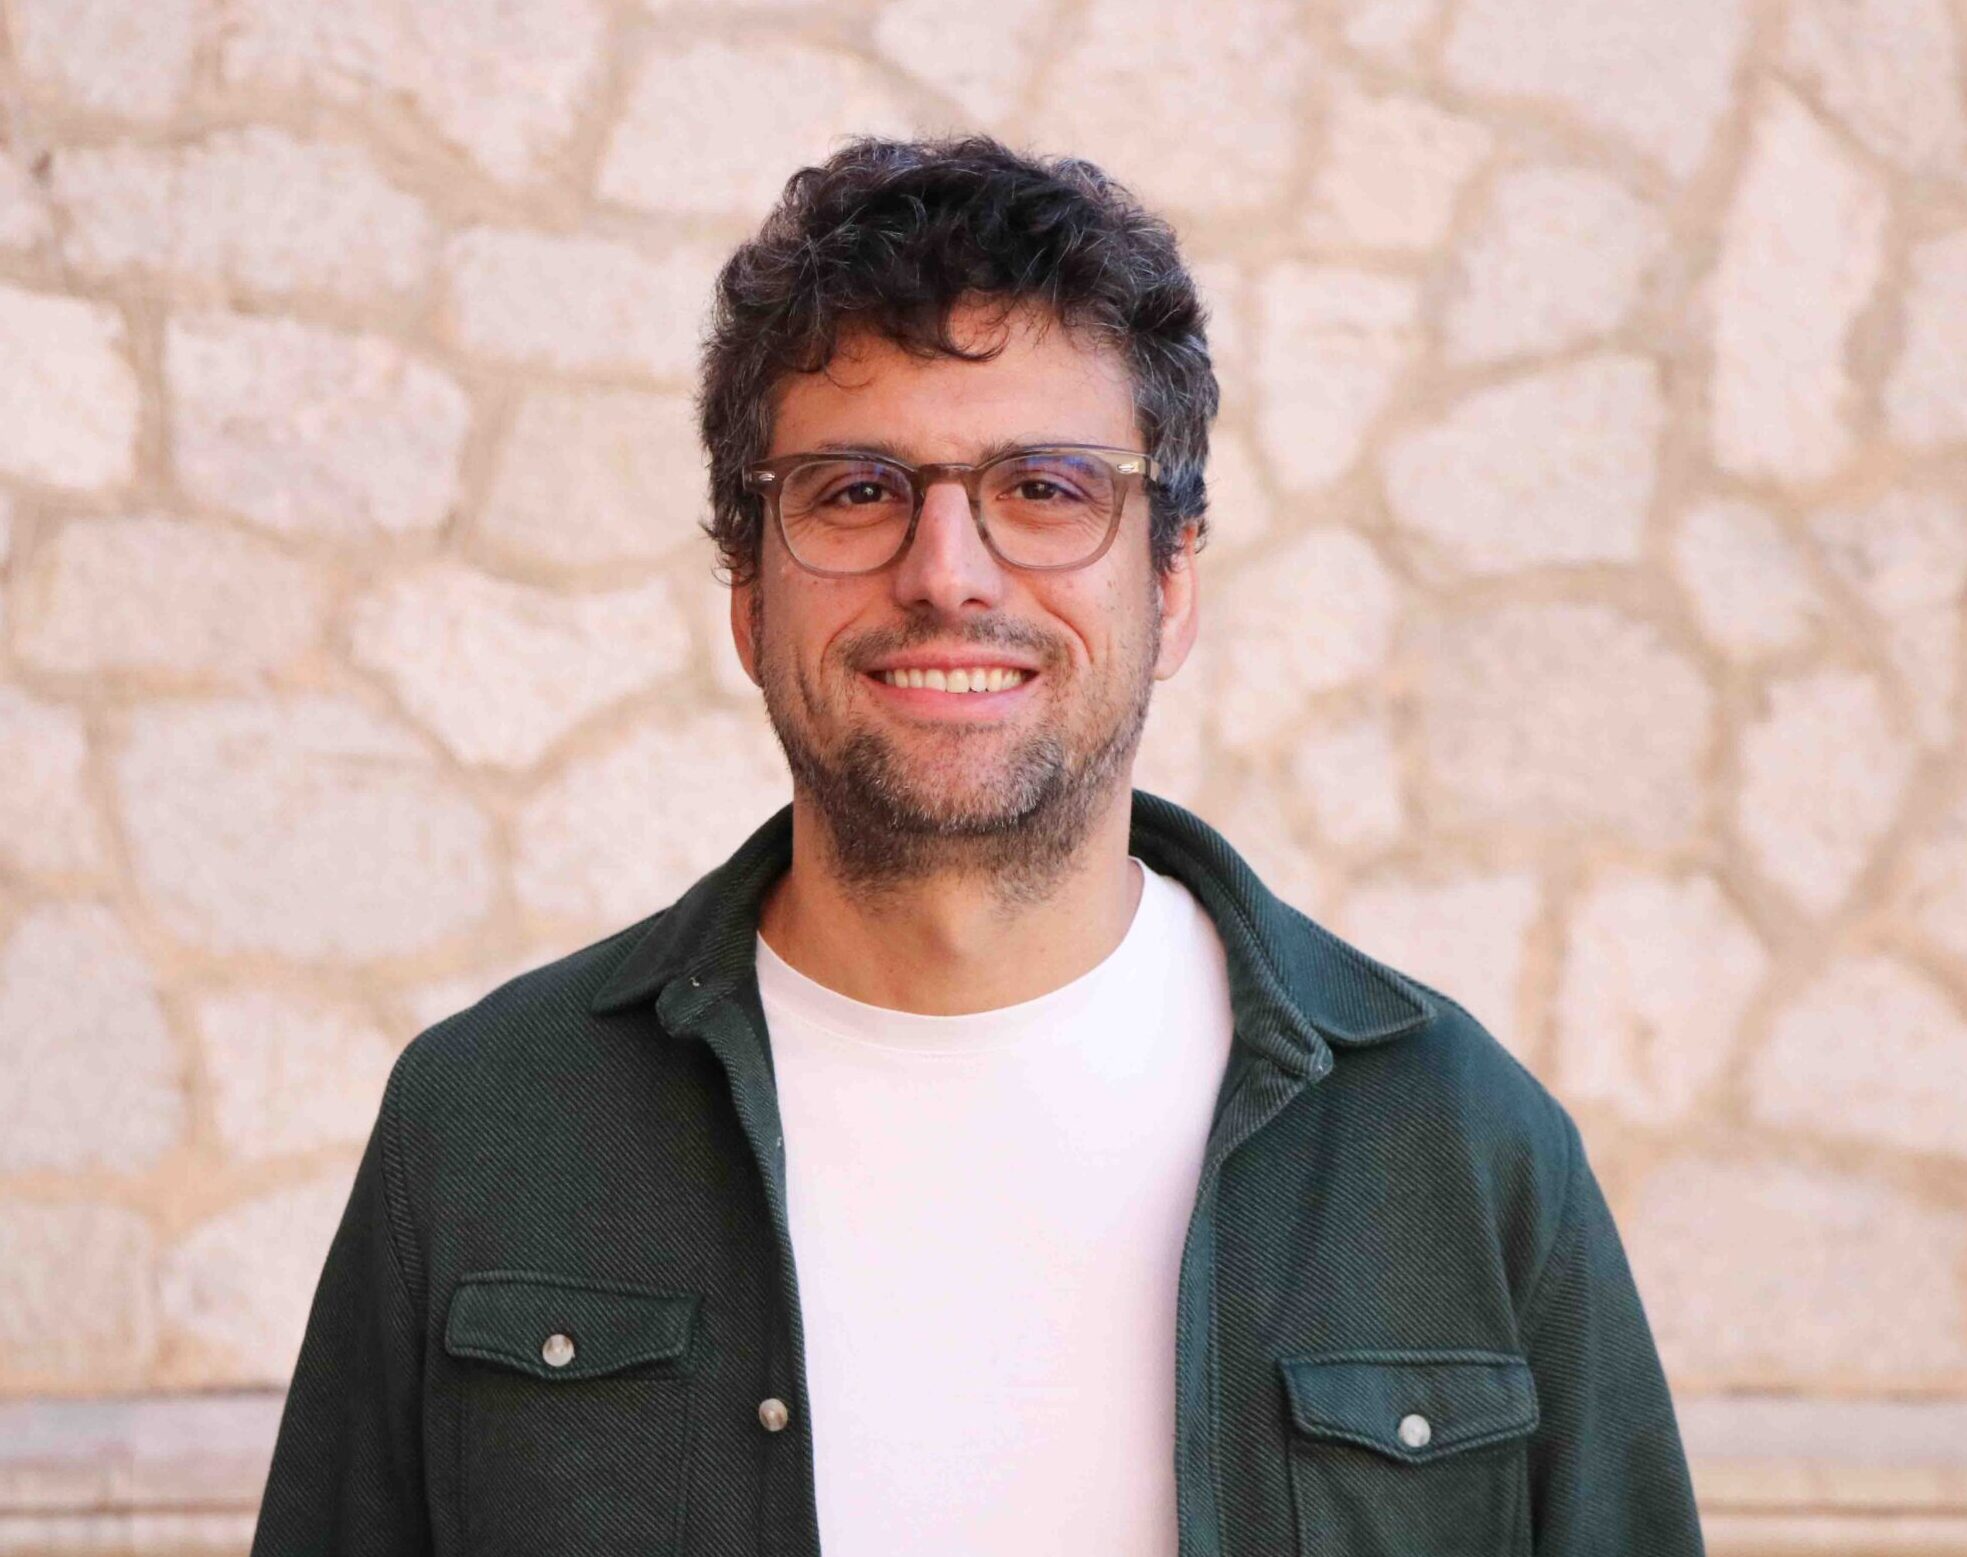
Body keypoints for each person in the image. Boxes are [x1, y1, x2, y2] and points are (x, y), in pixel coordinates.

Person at [249, 134, 1706, 1557]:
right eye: (856, 490)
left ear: (1172, 585)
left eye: (1048, 488)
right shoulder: (486, 1130)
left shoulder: (1458, 1147)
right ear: (747, 596)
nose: (947, 574)